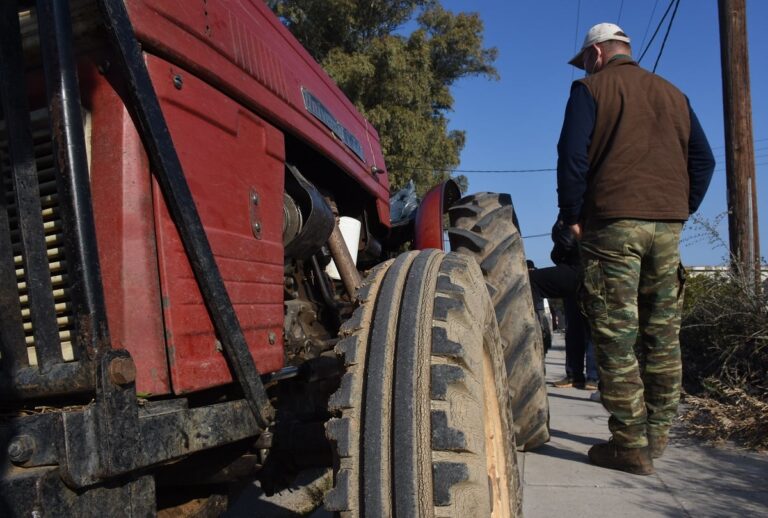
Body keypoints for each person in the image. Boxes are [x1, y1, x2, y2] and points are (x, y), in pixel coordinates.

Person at [558, 23, 715, 475]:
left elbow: (572, 156)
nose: (585, 68)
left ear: (597, 54)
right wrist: (680, 209)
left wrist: (572, 215)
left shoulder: (589, 90)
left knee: (615, 335)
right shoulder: (674, 93)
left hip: (612, 225)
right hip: (667, 229)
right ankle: (656, 437)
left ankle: (629, 444)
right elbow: (704, 160)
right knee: (662, 336)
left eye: (585, 61)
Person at [530, 220, 598, 389]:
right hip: (596, 271)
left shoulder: (571, 213)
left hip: (577, 268)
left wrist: (557, 252)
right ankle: (592, 377)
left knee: (532, 279)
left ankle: (535, 322)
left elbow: (566, 243)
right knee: (587, 326)